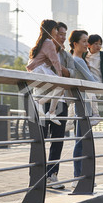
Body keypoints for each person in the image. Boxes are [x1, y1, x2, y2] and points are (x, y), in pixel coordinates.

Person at [40, 21, 77, 189]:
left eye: (64, 34)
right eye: (59, 34)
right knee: (39, 139)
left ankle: (51, 176)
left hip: (60, 101)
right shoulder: (41, 49)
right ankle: (37, 176)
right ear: (51, 34)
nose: (62, 37)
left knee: (58, 140)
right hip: (41, 99)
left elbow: (72, 73)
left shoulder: (65, 54)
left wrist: (58, 66)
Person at [69, 30, 99, 186]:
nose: (87, 44)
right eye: (84, 41)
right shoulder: (78, 61)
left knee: (82, 141)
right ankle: (79, 177)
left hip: (81, 104)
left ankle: (81, 176)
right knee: (82, 142)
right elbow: (90, 79)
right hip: (83, 105)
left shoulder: (78, 60)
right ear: (75, 44)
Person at [26, 19, 63, 126]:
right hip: (40, 70)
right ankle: (46, 108)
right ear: (51, 29)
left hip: (36, 70)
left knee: (59, 88)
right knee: (60, 86)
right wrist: (60, 75)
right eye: (56, 29)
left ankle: (50, 112)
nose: (57, 31)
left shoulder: (41, 42)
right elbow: (55, 60)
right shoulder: (49, 43)